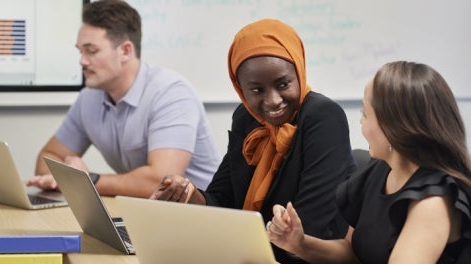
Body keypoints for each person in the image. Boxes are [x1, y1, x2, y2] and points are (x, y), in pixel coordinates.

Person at [149, 19, 356, 263]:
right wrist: (189, 195)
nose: (273, 101)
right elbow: (224, 200)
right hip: (253, 254)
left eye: (283, 84)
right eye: (257, 90)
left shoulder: (322, 117)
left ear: (299, 72)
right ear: (240, 89)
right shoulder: (247, 117)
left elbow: (308, 228)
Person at [267, 61, 471, 263]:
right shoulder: (378, 171)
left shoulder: (433, 200)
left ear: (393, 128)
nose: (361, 122)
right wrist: (299, 243)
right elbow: (352, 253)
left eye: (365, 114)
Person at [27, 0, 221, 197]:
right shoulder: (89, 98)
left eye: (91, 51)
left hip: (200, 216)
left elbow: (160, 182)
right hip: (146, 211)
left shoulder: (171, 94)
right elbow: (47, 159)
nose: (82, 61)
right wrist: (68, 178)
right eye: (80, 51)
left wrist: (87, 180)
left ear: (125, 51)